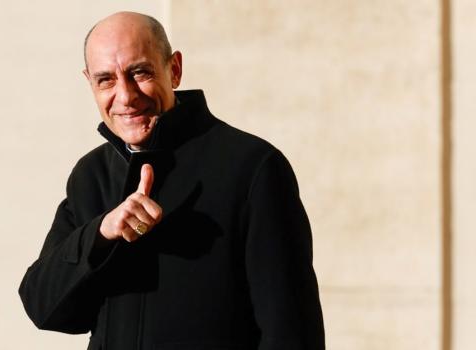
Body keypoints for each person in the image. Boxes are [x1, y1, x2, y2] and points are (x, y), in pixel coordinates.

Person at [19, 11, 325, 350]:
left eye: (139, 72)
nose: (126, 96)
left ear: (174, 69)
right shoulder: (91, 175)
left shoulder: (252, 168)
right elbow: (44, 308)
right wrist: (101, 234)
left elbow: (291, 333)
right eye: (106, 79)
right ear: (89, 81)